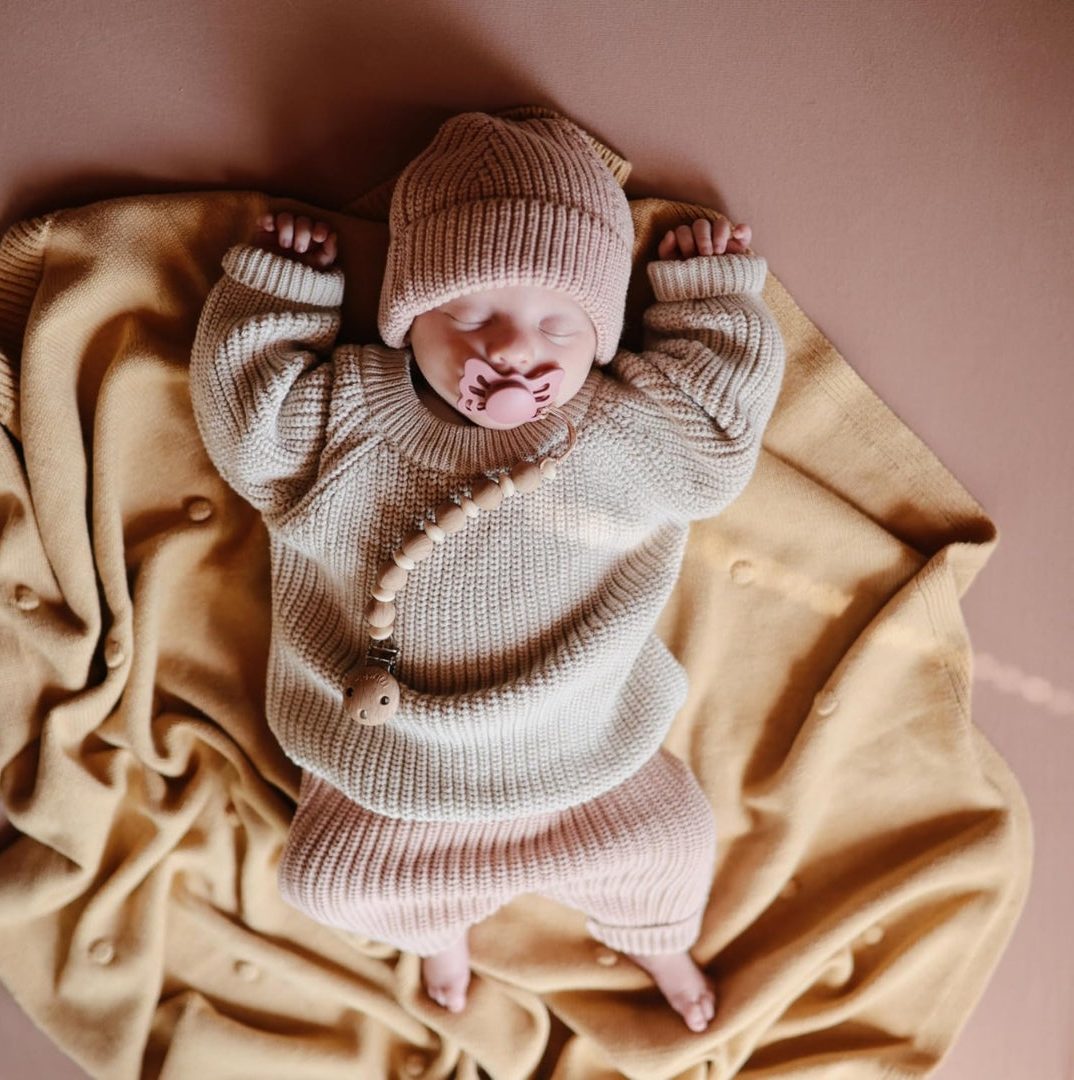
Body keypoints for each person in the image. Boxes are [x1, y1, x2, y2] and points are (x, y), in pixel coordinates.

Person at [189, 111, 785, 1034]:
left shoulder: (624, 430)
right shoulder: (347, 416)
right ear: (406, 322)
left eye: (557, 323)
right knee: (330, 879)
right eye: (469, 314)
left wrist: (708, 297)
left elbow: (717, 433)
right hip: (397, 768)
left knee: (673, 842)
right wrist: (281, 298)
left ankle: (659, 941)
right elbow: (248, 429)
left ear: (599, 336)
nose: (510, 349)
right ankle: (439, 927)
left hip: (586, 754)